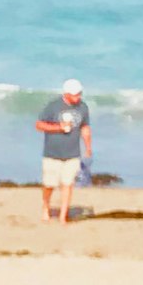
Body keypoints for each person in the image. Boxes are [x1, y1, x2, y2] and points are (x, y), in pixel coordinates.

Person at [35, 79, 92, 223]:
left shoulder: (83, 107)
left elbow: (85, 127)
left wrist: (88, 147)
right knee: (49, 184)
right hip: (52, 153)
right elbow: (39, 125)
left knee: (68, 184)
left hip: (72, 153)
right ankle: (46, 207)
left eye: (79, 94)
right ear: (66, 94)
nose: (77, 97)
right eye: (74, 95)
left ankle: (63, 215)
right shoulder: (53, 106)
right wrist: (59, 128)